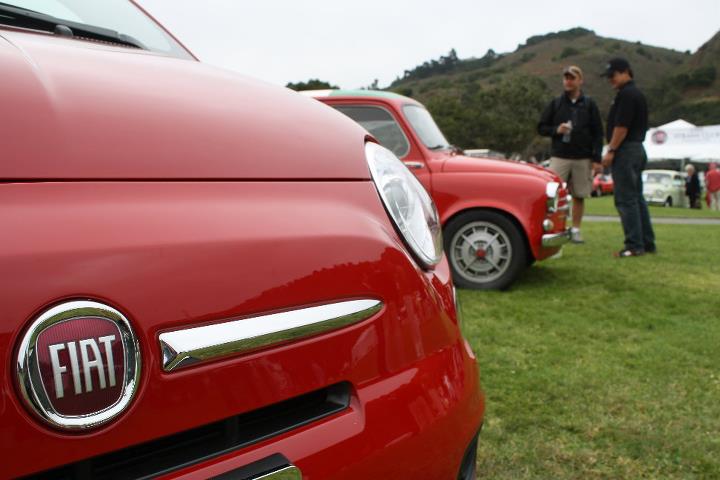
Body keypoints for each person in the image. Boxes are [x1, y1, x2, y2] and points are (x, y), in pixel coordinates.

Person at [538, 65, 604, 244]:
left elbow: (598, 132)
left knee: (579, 195)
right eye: (566, 78)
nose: (568, 81)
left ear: (580, 81)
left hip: (582, 157)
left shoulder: (589, 104)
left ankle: (575, 229)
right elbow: (541, 127)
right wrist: (556, 130)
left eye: (572, 78)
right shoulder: (556, 103)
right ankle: (551, 227)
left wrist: (597, 158)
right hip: (560, 156)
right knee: (552, 194)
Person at [601, 58, 656, 257]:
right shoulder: (636, 94)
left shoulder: (626, 95)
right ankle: (647, 242)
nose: (610, 80)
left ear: (626, 72)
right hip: (637, 148)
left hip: (626, 150)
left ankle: (634, 245)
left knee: (625, 200)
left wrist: (611, 150)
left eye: (613, 75)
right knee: (636, 198)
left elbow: (621, 127)